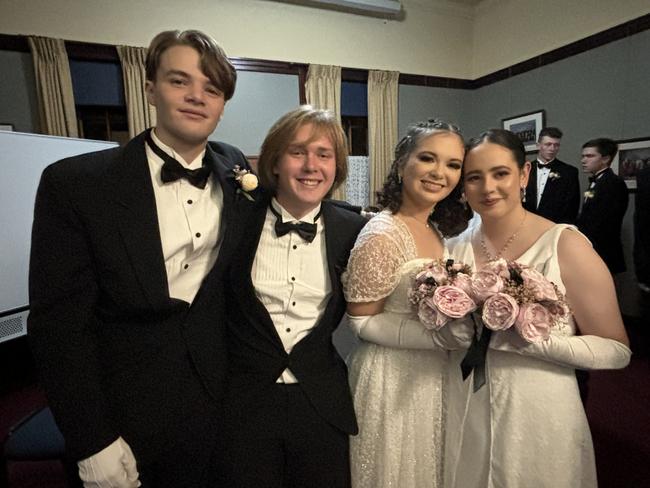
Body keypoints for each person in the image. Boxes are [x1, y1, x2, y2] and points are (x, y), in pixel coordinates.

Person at [28, 30, 247, 487]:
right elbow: (59, 328)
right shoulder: (78, 184)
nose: (196, 97)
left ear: (223, 103)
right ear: (149, 89)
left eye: (212, 88)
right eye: (178, 81)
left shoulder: (234, 168)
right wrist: (92, 441)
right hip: (125, 409)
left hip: (219, 403)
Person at [445, 129, 631, 488]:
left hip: (539, 410)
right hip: (463, 403)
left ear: (524, 175)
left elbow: (617, 350)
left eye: (500, 173)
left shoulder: (566, 245)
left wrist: (532, 341)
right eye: (474, 177)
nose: (488, 188)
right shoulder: (453, 249)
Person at [216, 106, 366, 488]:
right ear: (276, 162)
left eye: (324, 154)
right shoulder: (233, 218)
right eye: (297, 152)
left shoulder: (355, 229)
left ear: (337, 166)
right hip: (244, 402)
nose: (311, 165)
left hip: (321, 402)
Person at [342, 119, 472, 487]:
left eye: (452, 165)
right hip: (390, 377)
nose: (439, 173)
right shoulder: (383, 233)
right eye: (427, 158)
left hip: (431, 375)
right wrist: (438, 338)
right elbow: (361, 321)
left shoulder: (434, 228)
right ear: (401, 165)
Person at [577, 138, 629, 275]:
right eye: (583, 156)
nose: (583, 160)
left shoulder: (613, 184)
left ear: (605, 159)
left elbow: (604, 223)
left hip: (604, 253)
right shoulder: (598, 181)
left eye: (590, 156)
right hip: (591, 250)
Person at [523, 127, 580, 223]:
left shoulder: (569, 172)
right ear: (538, 145)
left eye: (556, 145)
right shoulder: (525, 169)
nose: (552, 149)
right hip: (526, 224)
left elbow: (572, 207)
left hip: (554, 226)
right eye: (548, 144)